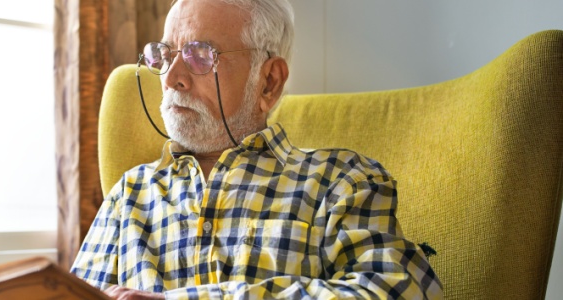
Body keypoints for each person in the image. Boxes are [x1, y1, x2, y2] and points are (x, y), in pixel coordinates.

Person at [70, 0, 443, 299]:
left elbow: (398, 289)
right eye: (165, 54)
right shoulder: (129, 195)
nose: (170, 78)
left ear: (269, 81)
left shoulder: (342, 181)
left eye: (200, 55)